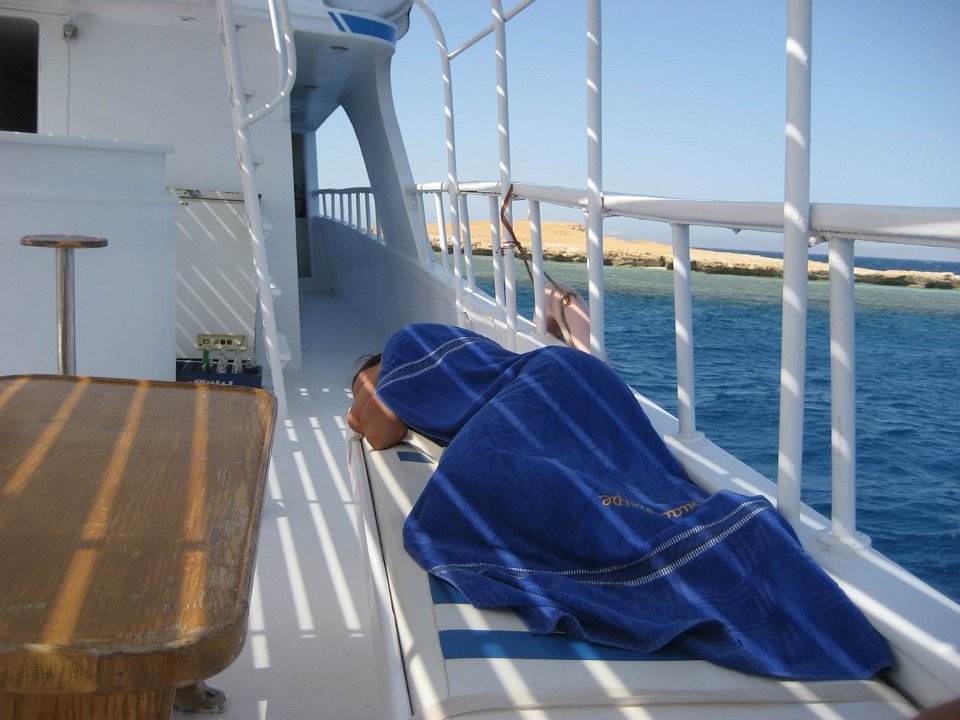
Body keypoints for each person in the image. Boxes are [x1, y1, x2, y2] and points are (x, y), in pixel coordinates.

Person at [348, 323, 893, 681]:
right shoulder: (461, 354)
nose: (362, 394)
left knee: (475, 478)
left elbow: (377, 428)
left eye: (359, 383)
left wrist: (358, 405)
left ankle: (650, 559)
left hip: (538, 389)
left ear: (378, 366)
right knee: (625, 482)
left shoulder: (407, 345)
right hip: (576, 377)